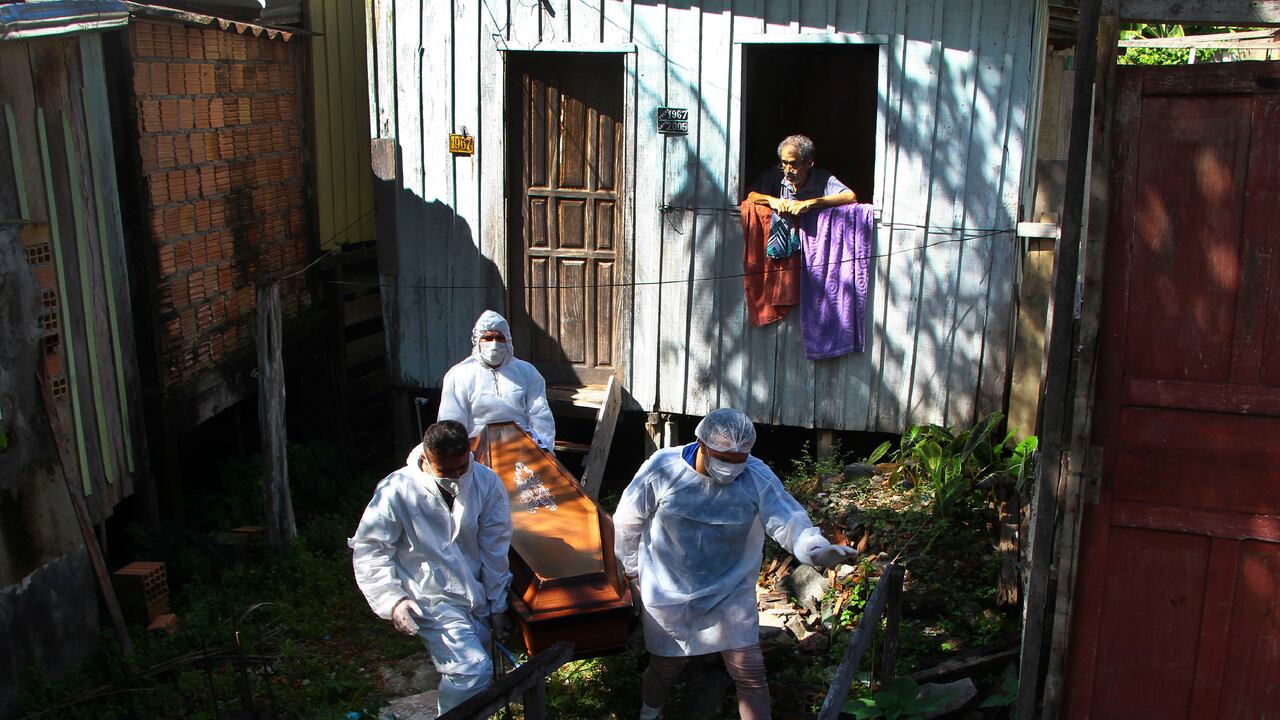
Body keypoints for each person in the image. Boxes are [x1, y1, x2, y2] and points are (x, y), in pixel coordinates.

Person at [614, 408, 858, 720]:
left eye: (739, 459)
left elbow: (788, 519)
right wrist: (633, 574)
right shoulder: (663, 469)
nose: (732, 467)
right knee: (666, 665)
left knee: (750, 671)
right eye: (723, 458)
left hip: (729, 589)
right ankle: (650, 714)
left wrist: (817, 551)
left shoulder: (755, 476)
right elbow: (626, 524)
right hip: (667, 590)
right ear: (702, 445)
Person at [350, 420, 514, 714]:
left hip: (474, 592)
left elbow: (495, 548)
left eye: (461, 467)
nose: (455, 476)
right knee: (471, 671)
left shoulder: (486, 482)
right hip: (428, 595)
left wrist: (498, 603)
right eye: (445, 471)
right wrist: (393, 600)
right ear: (426, 458)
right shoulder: (397, 489)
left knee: (480, 675)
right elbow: (371, 548)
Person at [439, 310, 556, 450]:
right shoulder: (459, 374)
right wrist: (460, 455)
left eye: (499, 338)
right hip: (476, 447)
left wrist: (543, 448)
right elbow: (452, 421)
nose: (494, 344)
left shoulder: (527, 372)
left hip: (522, 445)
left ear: (508, 341)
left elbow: (539, 413)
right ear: (477, 341)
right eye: (487, 338)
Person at [745, 134, 859, 217]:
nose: (788, 169)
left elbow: (850, 196)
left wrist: (809, 203)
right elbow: (750, 194)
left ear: (809, 163)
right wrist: (771, 200)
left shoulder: (822, 179)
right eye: (784, 163)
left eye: (794, 164)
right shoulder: (776, 174)